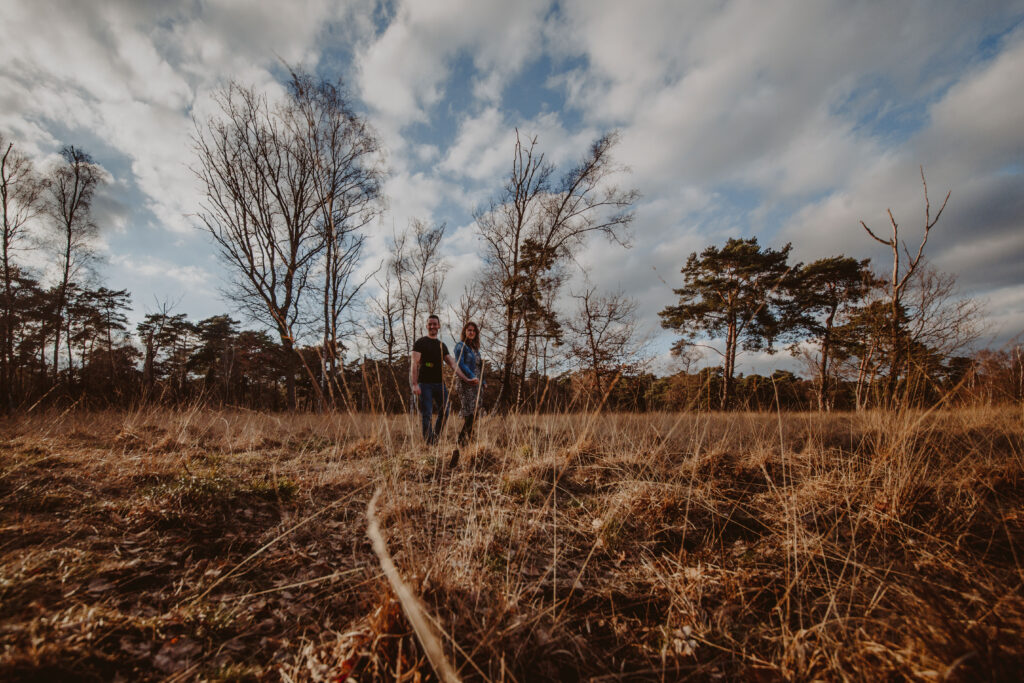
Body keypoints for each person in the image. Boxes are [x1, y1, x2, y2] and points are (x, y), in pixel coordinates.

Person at [410, 314, 477, 445]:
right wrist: (414, 384)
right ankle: (429, 444)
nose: (432, 326)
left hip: (440, 384)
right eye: (430, 324)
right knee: (427, 414)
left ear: (439, 326)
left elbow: (453, 364)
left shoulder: (442, 345)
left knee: (445, 412)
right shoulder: (420, 343)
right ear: (426, 326)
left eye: (435, 324)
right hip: (425, 385)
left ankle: (434, 439)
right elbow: (414, 364)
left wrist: (467, 379)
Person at [453, 321, 483, 446]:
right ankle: (460, 442)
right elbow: (461, 364)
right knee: (469, 412)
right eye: (469, 330)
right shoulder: (460, 346)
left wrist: (483, 381)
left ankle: (468, 441)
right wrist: (471, 376)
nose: (471, 332)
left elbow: (480, 366)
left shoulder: (476, 350)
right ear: (465, 332)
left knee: (475, 412)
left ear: (476, 333)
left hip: (477, 383)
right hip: (466, 382)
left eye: (473, 331)